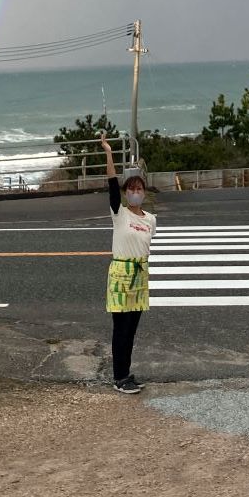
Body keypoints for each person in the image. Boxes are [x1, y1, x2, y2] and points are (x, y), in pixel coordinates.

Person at [101, 133, 155, 394]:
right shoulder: (118, 213)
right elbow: (111, 182)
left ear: (144, 192)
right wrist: (109, 152)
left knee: (131, 330)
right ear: (125, 192)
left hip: (140, 274)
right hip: (122, 273)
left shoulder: (151, 219)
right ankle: (119, 377)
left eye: (139, 189)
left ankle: (127, 373)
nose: (135, 193)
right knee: (120, 329)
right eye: (131, 189)